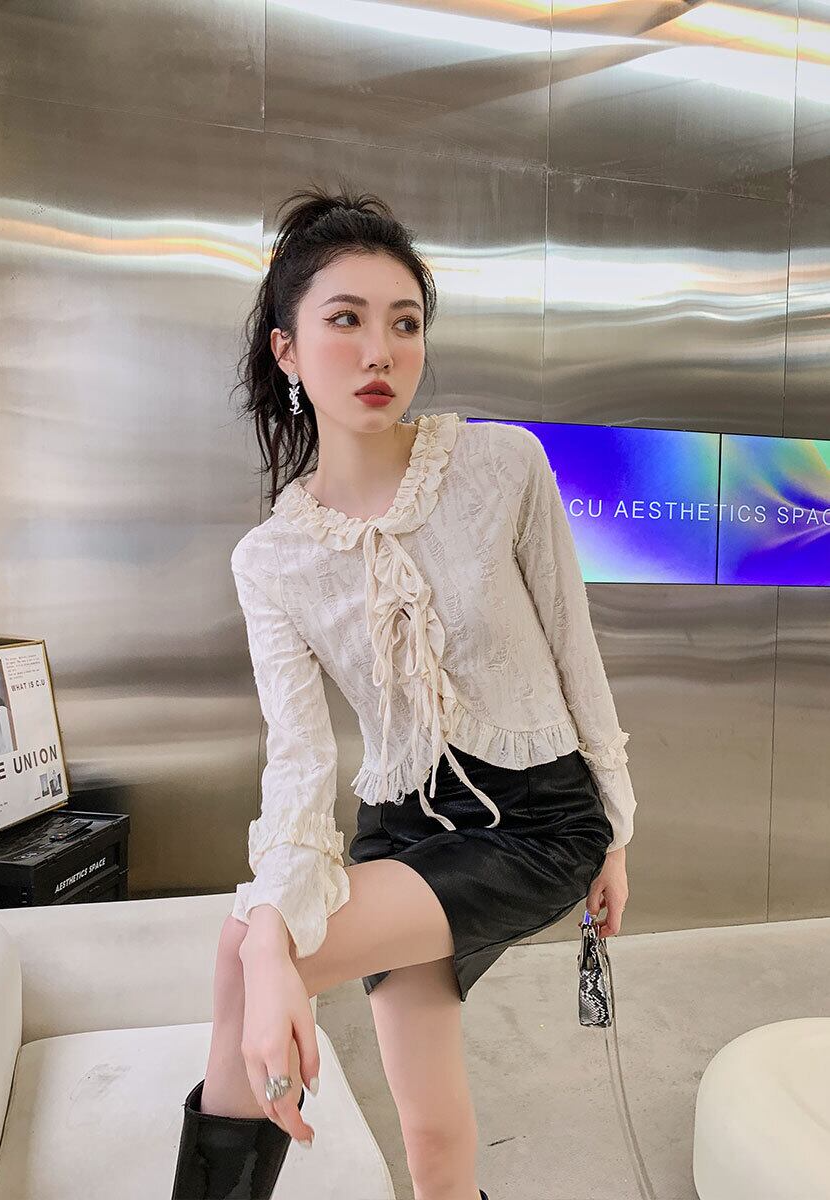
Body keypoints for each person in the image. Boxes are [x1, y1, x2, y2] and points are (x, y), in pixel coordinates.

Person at [170, 181, 635, 1200]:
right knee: (430, 1139)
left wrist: (617, 828)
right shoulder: (273, 559)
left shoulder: (501, 466)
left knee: (247, 949)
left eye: (405, 323)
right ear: (288, 351)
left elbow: (575, 650)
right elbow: (300, 760)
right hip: (398, 828)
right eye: (345, 320)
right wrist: (280, 921)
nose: (380, 351)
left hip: (536, 822)